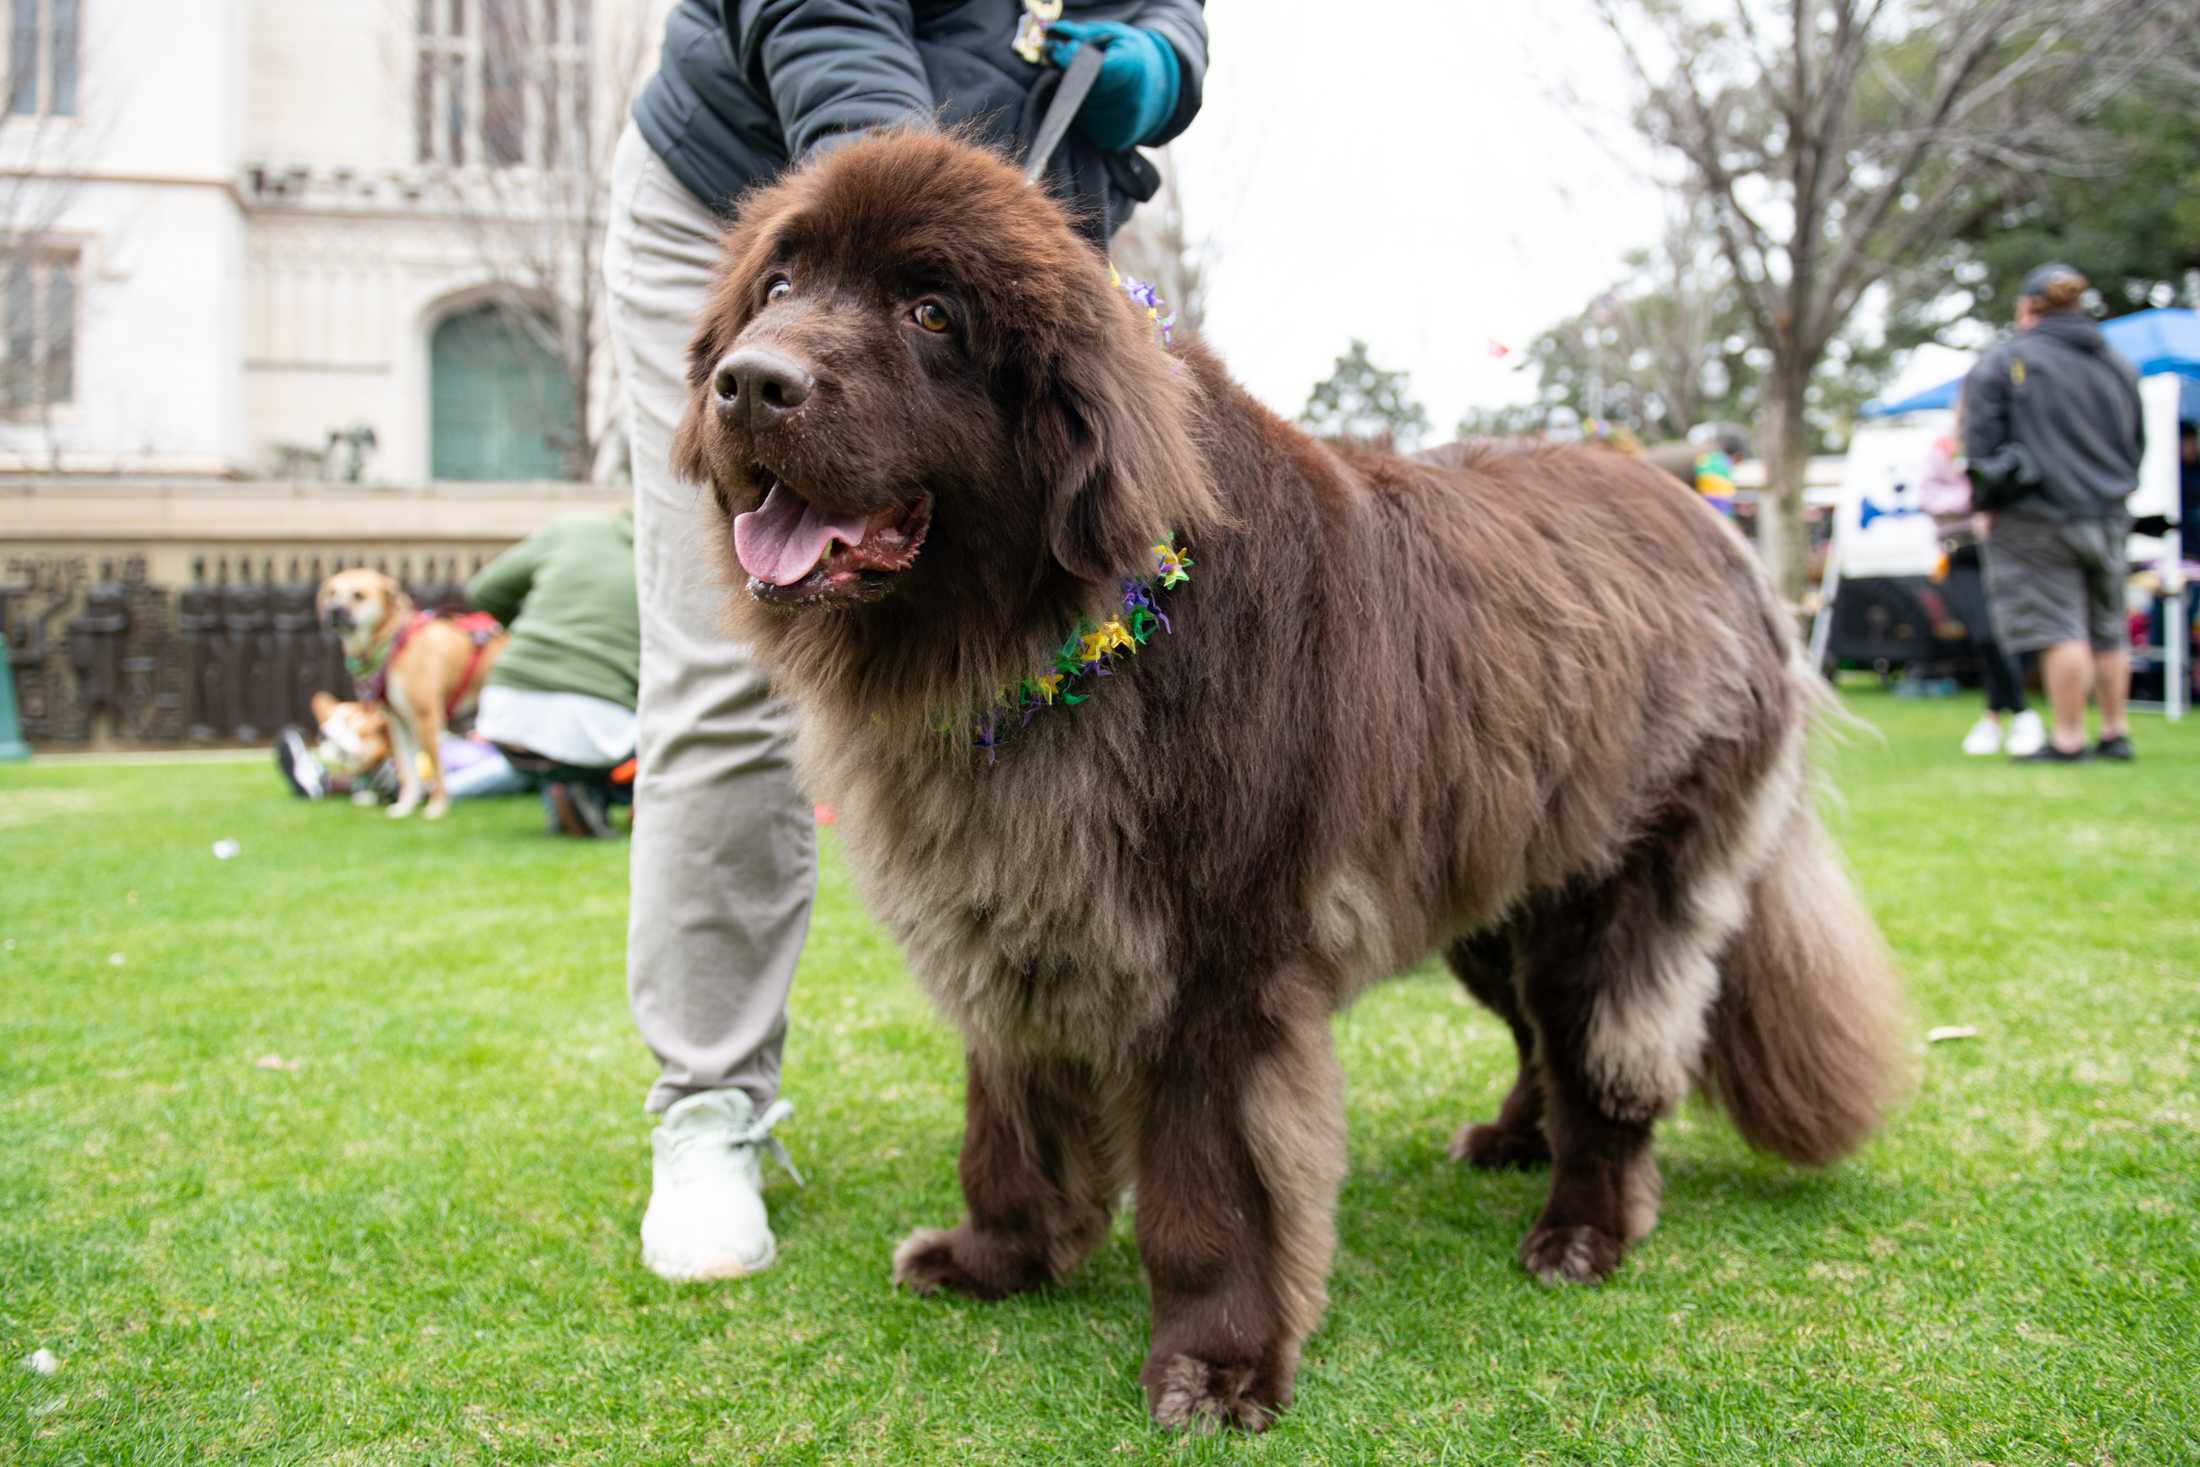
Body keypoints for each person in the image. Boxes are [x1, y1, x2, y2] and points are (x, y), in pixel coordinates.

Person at [607, 0, 1209, 1282]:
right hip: (757, 188)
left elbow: (1171, 18)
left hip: (1035, 230)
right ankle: (710, 1108)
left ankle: (1058, 1154)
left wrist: (1157, 70)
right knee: (727, 678)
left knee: (1082, 648)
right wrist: (899, 238)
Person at [1963, 262, 2145, 763]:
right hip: (2108, 511)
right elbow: (2136, 442)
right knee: (2108, 628)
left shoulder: (2008, 360)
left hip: (2036, 515)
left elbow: (1981, 445)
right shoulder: (2117, 363)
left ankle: (2068, 739)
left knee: (2060, 627)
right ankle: (2115, 731)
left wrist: (1986, 500)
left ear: (2027, 309)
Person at [466, 510, 643, 838]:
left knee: (541, 761)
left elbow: (484, 591)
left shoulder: (570, 529)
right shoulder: (668, 558)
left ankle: (570, 791)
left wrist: (526, 625)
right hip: (600, 719)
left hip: (505, 704)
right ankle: (604, 795)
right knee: (657, 740)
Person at [1916, 403, 2043, 757]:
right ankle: (2021, 712)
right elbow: (1928, 497)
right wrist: (1977, 500)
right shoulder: (1944, 449)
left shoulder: (2010, 447)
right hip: (1961, 554)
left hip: (2006, 550)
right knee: (1985, 632)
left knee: (2007, 635)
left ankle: (1993, 718)